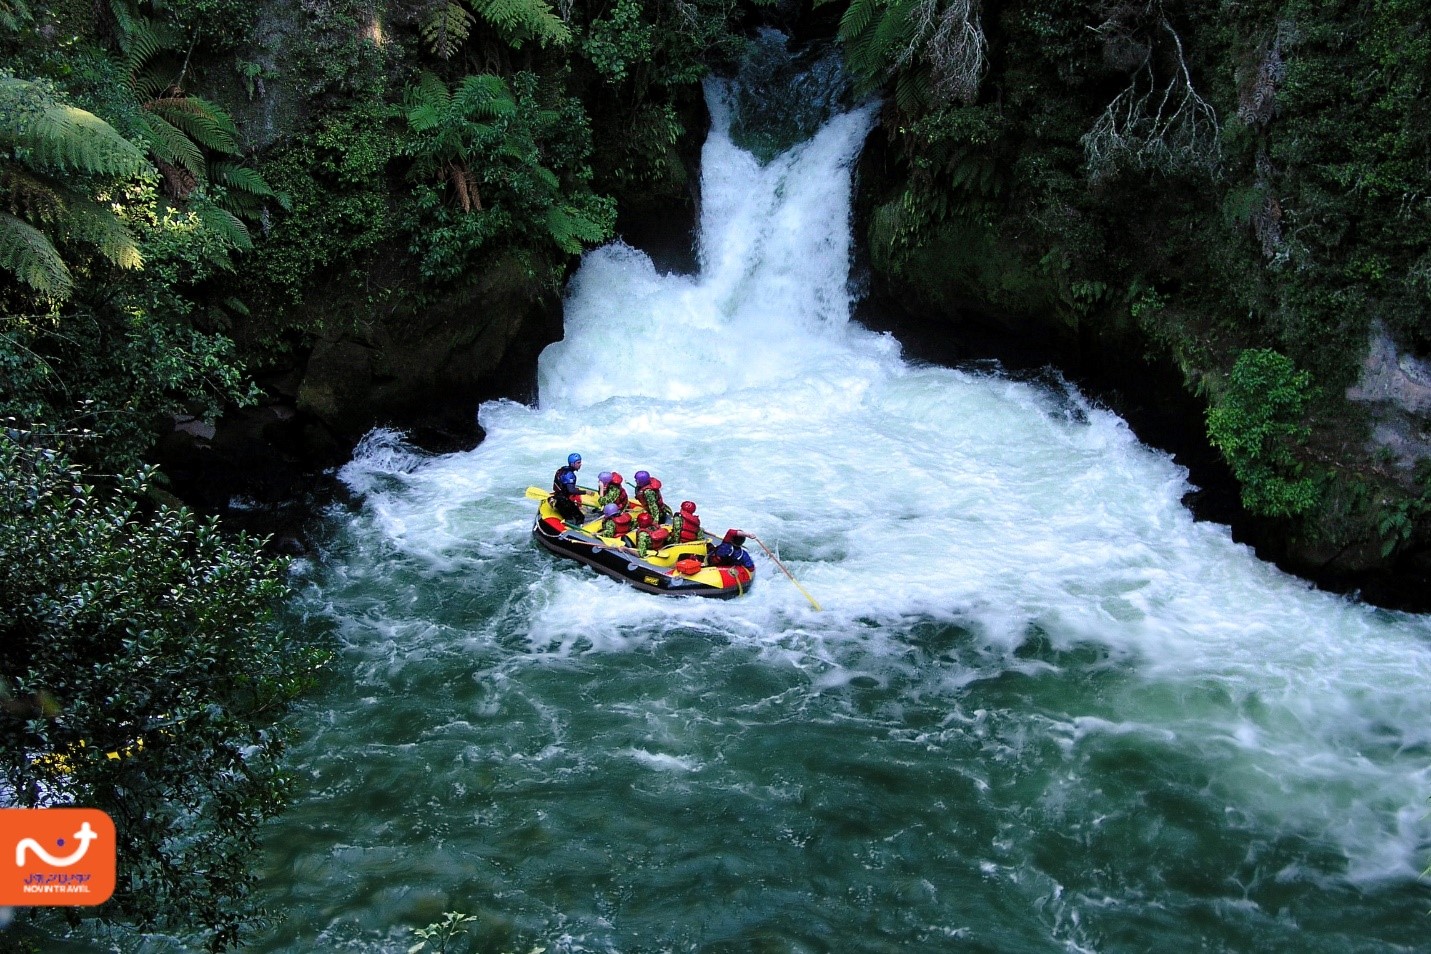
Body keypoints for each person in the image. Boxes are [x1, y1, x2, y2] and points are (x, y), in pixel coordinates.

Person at [551, 452, 584, 523]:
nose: (580, 464)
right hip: (562, 501)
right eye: (578, 463)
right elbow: (571, 490)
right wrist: (585, 492)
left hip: (559, 497)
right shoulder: (570, 475)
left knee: (576, 512)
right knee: (580, 517)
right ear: (572, 464)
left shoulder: (563, 469)